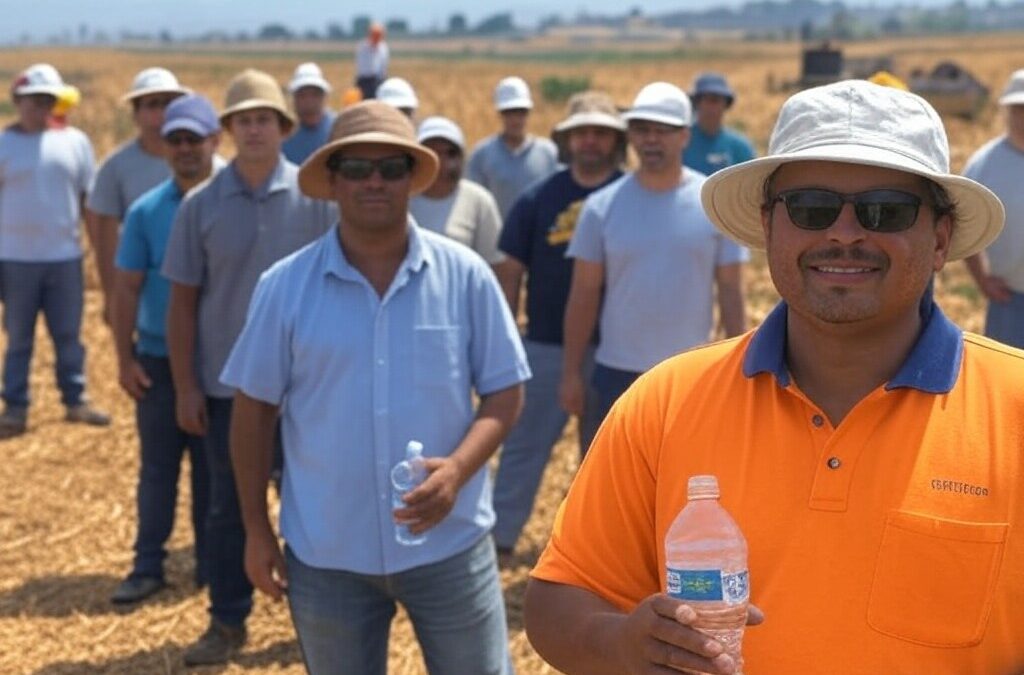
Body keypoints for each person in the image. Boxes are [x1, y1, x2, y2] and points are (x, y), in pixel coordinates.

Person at [526, 80, 1024, 674]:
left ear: (940, 238)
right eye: (811, 208)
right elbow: (559, 597)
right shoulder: (665, 404)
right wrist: (623, 646)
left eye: (886, 209)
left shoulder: (1013, 408)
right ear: (768, 228)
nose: (844, 233)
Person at [221, 100, 530, 675]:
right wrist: (256, 531)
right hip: (326, 553)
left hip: (451, 546)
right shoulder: (283, 287)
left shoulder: (466, 276)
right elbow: (253, 412)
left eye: (390, 168)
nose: (374, 182)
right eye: (358, 169)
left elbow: (505, 393)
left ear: (412, 179)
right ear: (332, 181)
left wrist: (458, 471)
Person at [162, 69, 336, 666]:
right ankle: (226, 621)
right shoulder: (198, 207)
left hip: (306, 390)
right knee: (228, 509)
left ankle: (317, 623)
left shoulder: (318, 202)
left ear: (284, 127)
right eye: (243, 120)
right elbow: (182, 303)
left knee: (310, 509)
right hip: (226, 390)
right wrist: (184, 386)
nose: (255, 128)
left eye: (265, 118)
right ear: (227, 130)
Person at [559, 81, 748, 427]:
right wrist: (571, 372)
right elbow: (583, 293)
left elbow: (732, 292)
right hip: (615, 374)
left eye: (663, 131)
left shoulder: (713, 205)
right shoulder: (600, 208)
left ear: (684, 137)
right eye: (642, 129)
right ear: (630, 136)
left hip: (692, 375)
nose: (651, 139)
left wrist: (741, 372)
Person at [490, 91, 626, 557]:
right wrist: (506, 338)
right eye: (581, 132)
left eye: (601, 133)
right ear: (566, 140)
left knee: (610, 458)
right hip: (545, 345)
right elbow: (510, 270)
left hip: (617, 352)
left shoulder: (632, 197)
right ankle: (498, 540)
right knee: (524, 447)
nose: (590, 141)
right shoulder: (537, 199)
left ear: (615, 140)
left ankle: (597, 551)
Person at [108, 94, 224, 606]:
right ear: (164, 148)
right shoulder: (145, 211)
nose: (184, 149)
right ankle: (148, 564)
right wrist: (124, 358)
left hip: (218, 360)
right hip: (156, 359)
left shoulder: (233, 204)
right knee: (158, 467)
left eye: (193, 139)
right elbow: (126, 286)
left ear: (214, 142)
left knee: (212, 469)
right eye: (174, 140)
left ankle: (210, 563)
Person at [0, 64, 108, 434]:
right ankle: (15, 406)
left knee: (68, 335)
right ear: (17, 101)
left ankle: (75, 399)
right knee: (19, 338)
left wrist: (96, 248)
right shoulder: (4, 144)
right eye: (34, 100)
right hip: (14, 259)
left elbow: (87, 200)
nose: (41, 107)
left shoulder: (76, 142)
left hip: (64, 257)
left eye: (48, 100)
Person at [86, 67, 189, 324]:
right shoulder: (115, 167)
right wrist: (112, 296)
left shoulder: (198, 162)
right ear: (136, 114)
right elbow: (105, 238)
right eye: (152, 104)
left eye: (168, 103)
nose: (161, 112)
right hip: (138, 281)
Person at [964, 68, 1024, 348]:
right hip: (1009, 300)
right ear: (1006, 111)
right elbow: (964, 223)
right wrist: (982, 279)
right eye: (1018, 108)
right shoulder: (983, 165)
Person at [409, 116, 505, 267]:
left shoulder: (479, 201)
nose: (442, 161)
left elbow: (496, 264)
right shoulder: (403, 199)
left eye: (450, 153)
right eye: (433, 152)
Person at [466, 76, 559, 219]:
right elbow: (473, 204)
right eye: (509, 112)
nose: (516, 119)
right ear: (500, 114)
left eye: (521, 112)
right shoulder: (482, 155)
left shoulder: (549, 153)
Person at [682, 72, 756, 177]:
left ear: (726, 104)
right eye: (707, 100)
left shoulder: (740, 146)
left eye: (716, 101)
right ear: (696, 103)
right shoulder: (681, 142)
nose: (711, 108)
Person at [282, 62, 336, 165]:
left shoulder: (338, 128)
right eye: (303, 95)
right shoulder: (284, 134)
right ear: (295, 98)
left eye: (315, 94)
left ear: (323, 96)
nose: (309, 101)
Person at [355, 22, 389, 100]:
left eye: (380, 35)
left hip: (379, 81)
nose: (377, 38)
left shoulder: (383, 47)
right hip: (365, 81)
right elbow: (362, 67)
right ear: (369, 35)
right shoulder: (363, 47)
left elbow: (384, 66)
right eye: (375, 35)